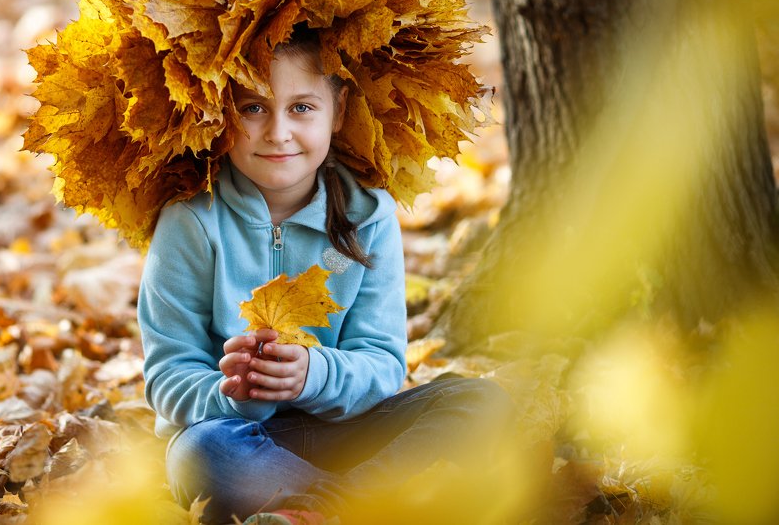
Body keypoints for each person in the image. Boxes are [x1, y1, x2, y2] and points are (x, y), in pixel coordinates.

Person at [136, 30, 513, 525]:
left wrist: (312, 376)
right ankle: (370, 508)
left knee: (480, 402)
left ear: (337, 111)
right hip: (243, 440)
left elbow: (381, 365)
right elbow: (167, 375)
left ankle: (322, 512)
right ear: (220, 114)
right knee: (199, 455)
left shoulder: (366, 216)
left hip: (351, 434)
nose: (277, 132)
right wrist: (237, 393)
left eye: (301, 108)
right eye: (253, 108)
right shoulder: (191, 220)